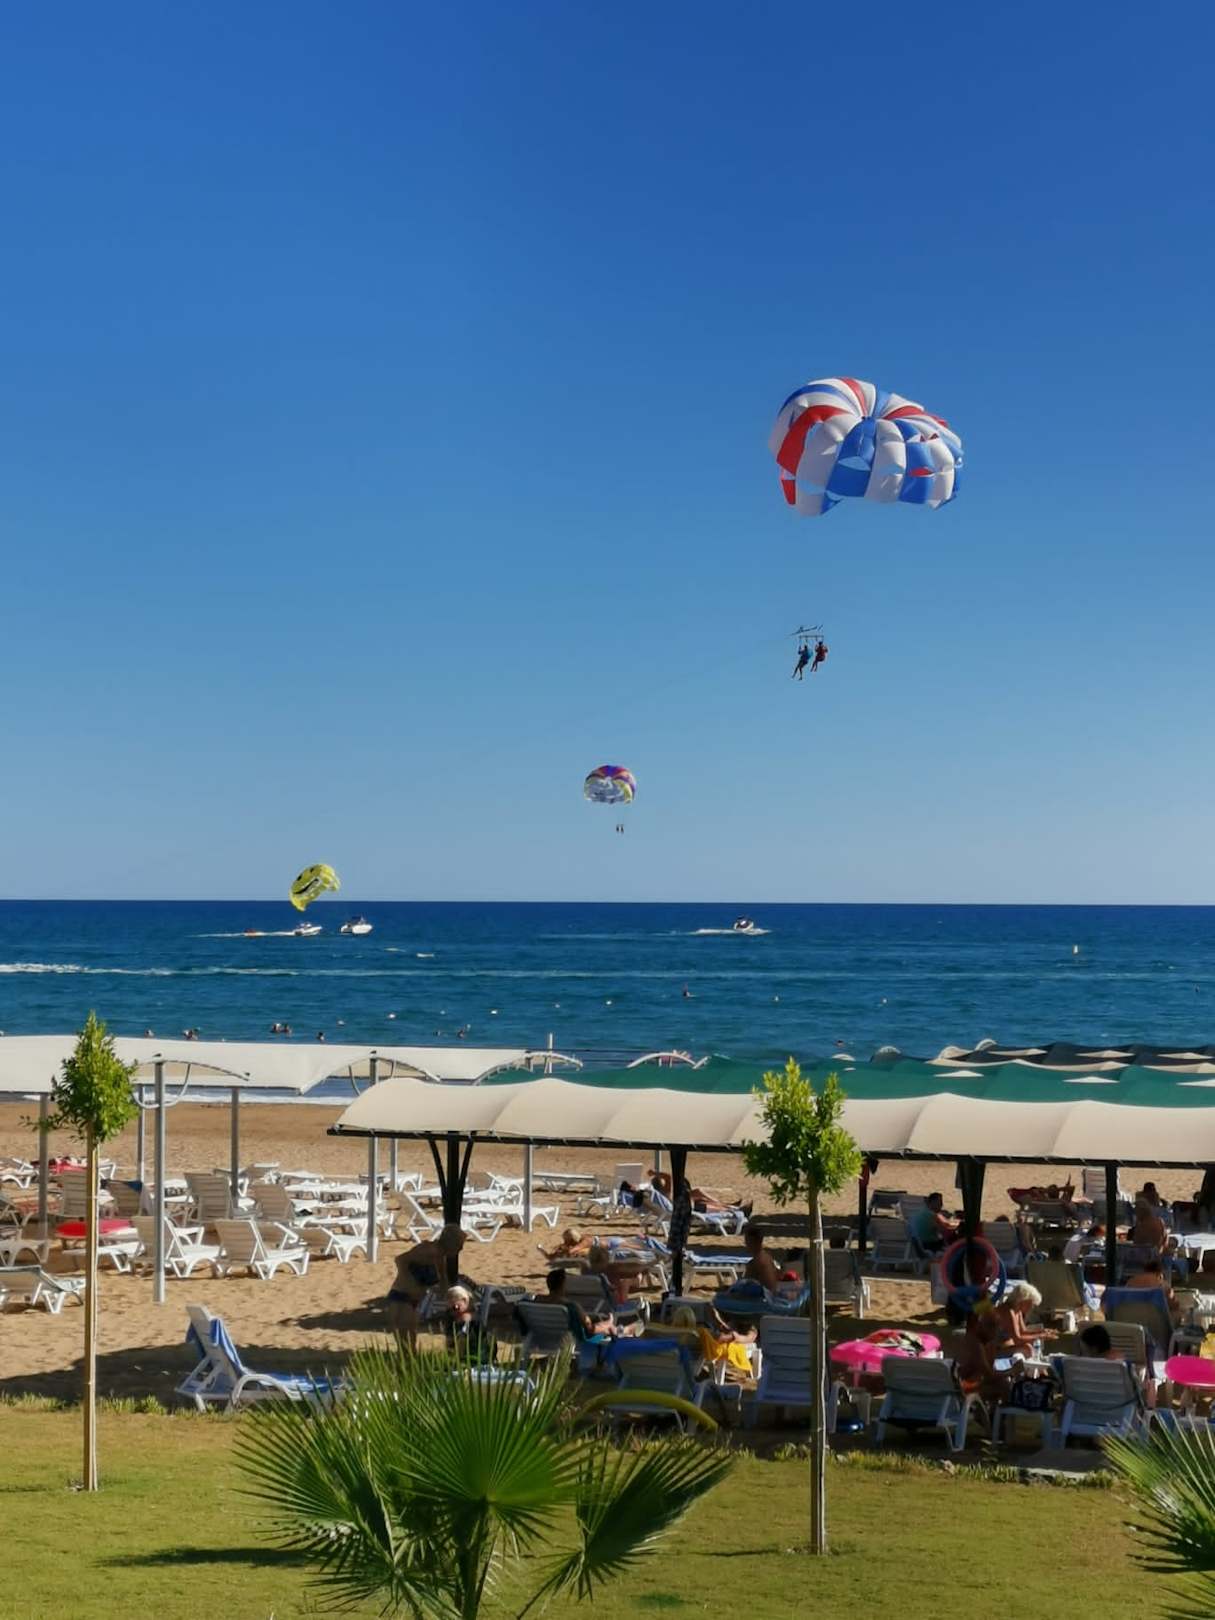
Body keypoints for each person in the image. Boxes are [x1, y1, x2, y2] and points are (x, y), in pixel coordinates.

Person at [386, 1224, 466, 1350]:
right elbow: (400, 1260)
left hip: (414, 1299)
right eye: (460, 1244)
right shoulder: (428, 1250)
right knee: (404, 1340)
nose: (461, 1248)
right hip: (401, 1295)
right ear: (451, 1243)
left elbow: (443, 1279)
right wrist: (412, 1278)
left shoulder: (440, 1256)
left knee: (411, 1340)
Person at [670, 1304, 755, 1378]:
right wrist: (733, 1335)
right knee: (744, 1338)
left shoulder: (670, 1332)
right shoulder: (700, 1332)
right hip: (698, 1356)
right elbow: (721, 1338)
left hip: (673, 1361)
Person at [543, 1267, 613, 1341]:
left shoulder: (538, 1300)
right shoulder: (572, 1306)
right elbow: (591, 1329)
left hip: (547, 1337)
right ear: (563, 1286)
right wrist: (608, 1323)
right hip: (575, 1340)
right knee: (610, 1329)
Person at [992, 1281, 1055, 1360]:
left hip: (1004, 1347)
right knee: (1027, 1348)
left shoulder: (1017, 1312)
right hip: (993, 1351)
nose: (1031, 1307)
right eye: (1031, 1304)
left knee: (1029, 1346)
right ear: (1023, 1300)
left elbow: (1023, 1332)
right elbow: (1017, 1339)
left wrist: (1042, 1332)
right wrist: (1040, 1336)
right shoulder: (1007, 1311)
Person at [444, 1285, 494, 1364]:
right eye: (449, 1310)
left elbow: (462, 1342)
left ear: (465, 1301)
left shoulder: (470, 1319)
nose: (452, 1312)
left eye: (455, 1308)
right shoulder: (453, 1318)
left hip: (476, 1356)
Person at [742, 1222, 780, 1292]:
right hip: (772, 1294)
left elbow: (744, 1286)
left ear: (755, 1242)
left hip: (763, 1296)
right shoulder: (767, 1257)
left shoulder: (755, 1263)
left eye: (747, 1241)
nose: (745, 1244)